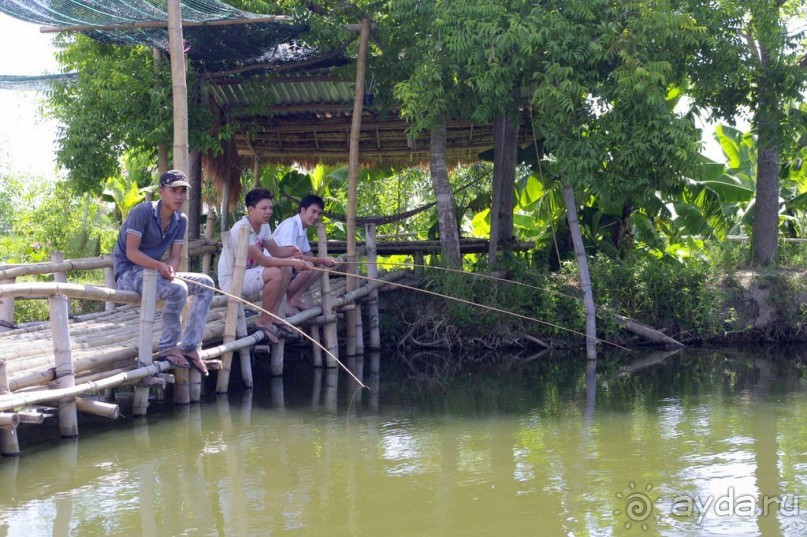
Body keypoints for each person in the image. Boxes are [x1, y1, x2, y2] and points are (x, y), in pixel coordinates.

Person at [112, 169, 212, 376]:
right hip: (129, 275)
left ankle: (190, 345)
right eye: (174, 190)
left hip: (154, 275)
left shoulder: (180, 220)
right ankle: (167, 346)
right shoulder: (143, 212)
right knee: (178, 289)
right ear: (161, 192)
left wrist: (171, 268)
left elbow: (174, 256)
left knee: (206, 283)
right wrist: (160, 267)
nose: (179, 196)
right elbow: (131, 253)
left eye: (182, 191)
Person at [217, 188, 313, 343]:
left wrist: (292, 251)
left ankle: (272, 316)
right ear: (250, 209)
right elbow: (264, 261)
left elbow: (275, 251)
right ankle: (263, 320)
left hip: (247, 275)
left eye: (270, 208)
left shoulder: (264, 226)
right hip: (232, 280)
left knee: (286, 269)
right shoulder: (242, 229)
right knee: (275, 272)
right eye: (264, 208)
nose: (269, 211)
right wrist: (293, 261)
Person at [272, 194, 339, 314]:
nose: (316, 216)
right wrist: (321, 260)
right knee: (308, 266)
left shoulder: (302, 227)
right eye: (313, 212)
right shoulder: (291, 224)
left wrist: (323, 261)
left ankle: (294, 299)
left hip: (288, 266)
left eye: (319, 213)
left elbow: (307, 252)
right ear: (302, 210)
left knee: (319, 268)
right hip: (276, 268)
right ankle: (284, 302)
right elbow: (291, 256)